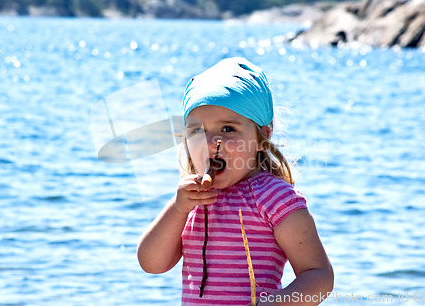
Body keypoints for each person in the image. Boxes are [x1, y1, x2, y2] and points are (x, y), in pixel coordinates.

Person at [137, 57, 333, 305]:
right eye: (197, 130)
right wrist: (177, 209)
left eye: (228, 129)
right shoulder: (189, 200)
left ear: (262, 137)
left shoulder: (274, 197)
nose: (210, 142)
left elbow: (319, 276)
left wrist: (276, 303)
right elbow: (152, 264)